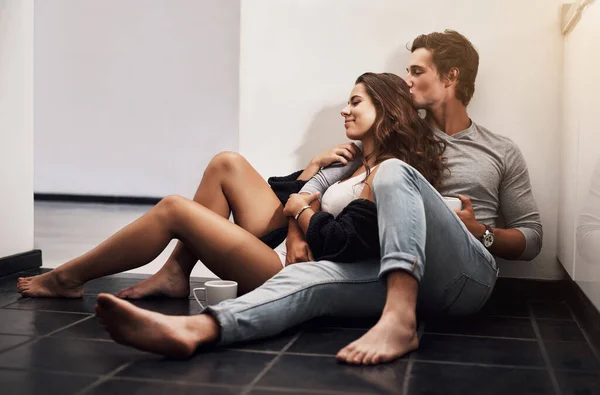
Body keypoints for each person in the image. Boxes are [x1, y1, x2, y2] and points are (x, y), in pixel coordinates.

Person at [94, 30, 543, 365]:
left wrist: (481, 232)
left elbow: (533, 237)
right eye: (405, 72)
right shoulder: (395, 136)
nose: (406, 80)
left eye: (416, 71)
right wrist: (295, 228)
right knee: (306, 280)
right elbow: (318, 189)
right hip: (384, 269)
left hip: (464, 274)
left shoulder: (498, 150)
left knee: (391, 172)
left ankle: (399, 322)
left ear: (451, 76)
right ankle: (197, 329)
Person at [17, 73, 444, 304]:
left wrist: (301, 210)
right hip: (281, 242)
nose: (344, 109)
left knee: (174, 209)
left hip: (292, 269)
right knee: (227, 163)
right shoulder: (352, 160)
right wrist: (309, 173)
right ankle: (174, 273)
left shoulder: (388, 172)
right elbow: (283, 198)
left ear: (384, 111)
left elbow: (348, 241)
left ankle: (67, 276)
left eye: (356, 102)